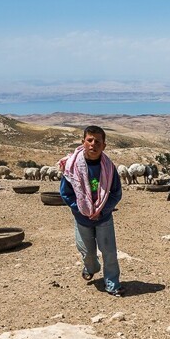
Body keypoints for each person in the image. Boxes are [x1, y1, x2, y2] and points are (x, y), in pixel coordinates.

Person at [60, 125, 124, 297]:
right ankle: (92, 267)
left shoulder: (109, 168)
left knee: (109, 252)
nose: (93, 144)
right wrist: (81, 210)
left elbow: (116, 193)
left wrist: (103, 210)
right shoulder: (72, 167)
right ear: (83, 142)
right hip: (82, 218)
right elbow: (66, 193)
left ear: (104, 145)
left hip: (104, 217)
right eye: (89, 140)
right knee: (87, 252)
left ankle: (112, 283)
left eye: (98, 141)